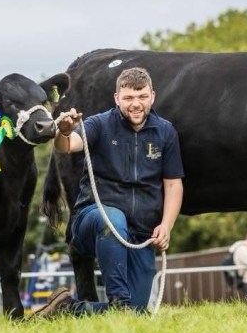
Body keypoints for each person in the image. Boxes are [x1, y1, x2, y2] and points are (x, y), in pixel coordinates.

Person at [35, 67, 185, 316]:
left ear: (152, 96)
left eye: (142, 97)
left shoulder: (166, 132)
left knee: (136, 313)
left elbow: (173, 184)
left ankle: (68, 309)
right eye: (128, 98)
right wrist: (63, 131)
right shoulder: (99, 124)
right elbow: (68, 145)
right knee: (112, 219)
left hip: (140, 235)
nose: (135, 104)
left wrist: (166, 225)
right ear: (117, 98)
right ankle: (119, 302)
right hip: (94, 220)